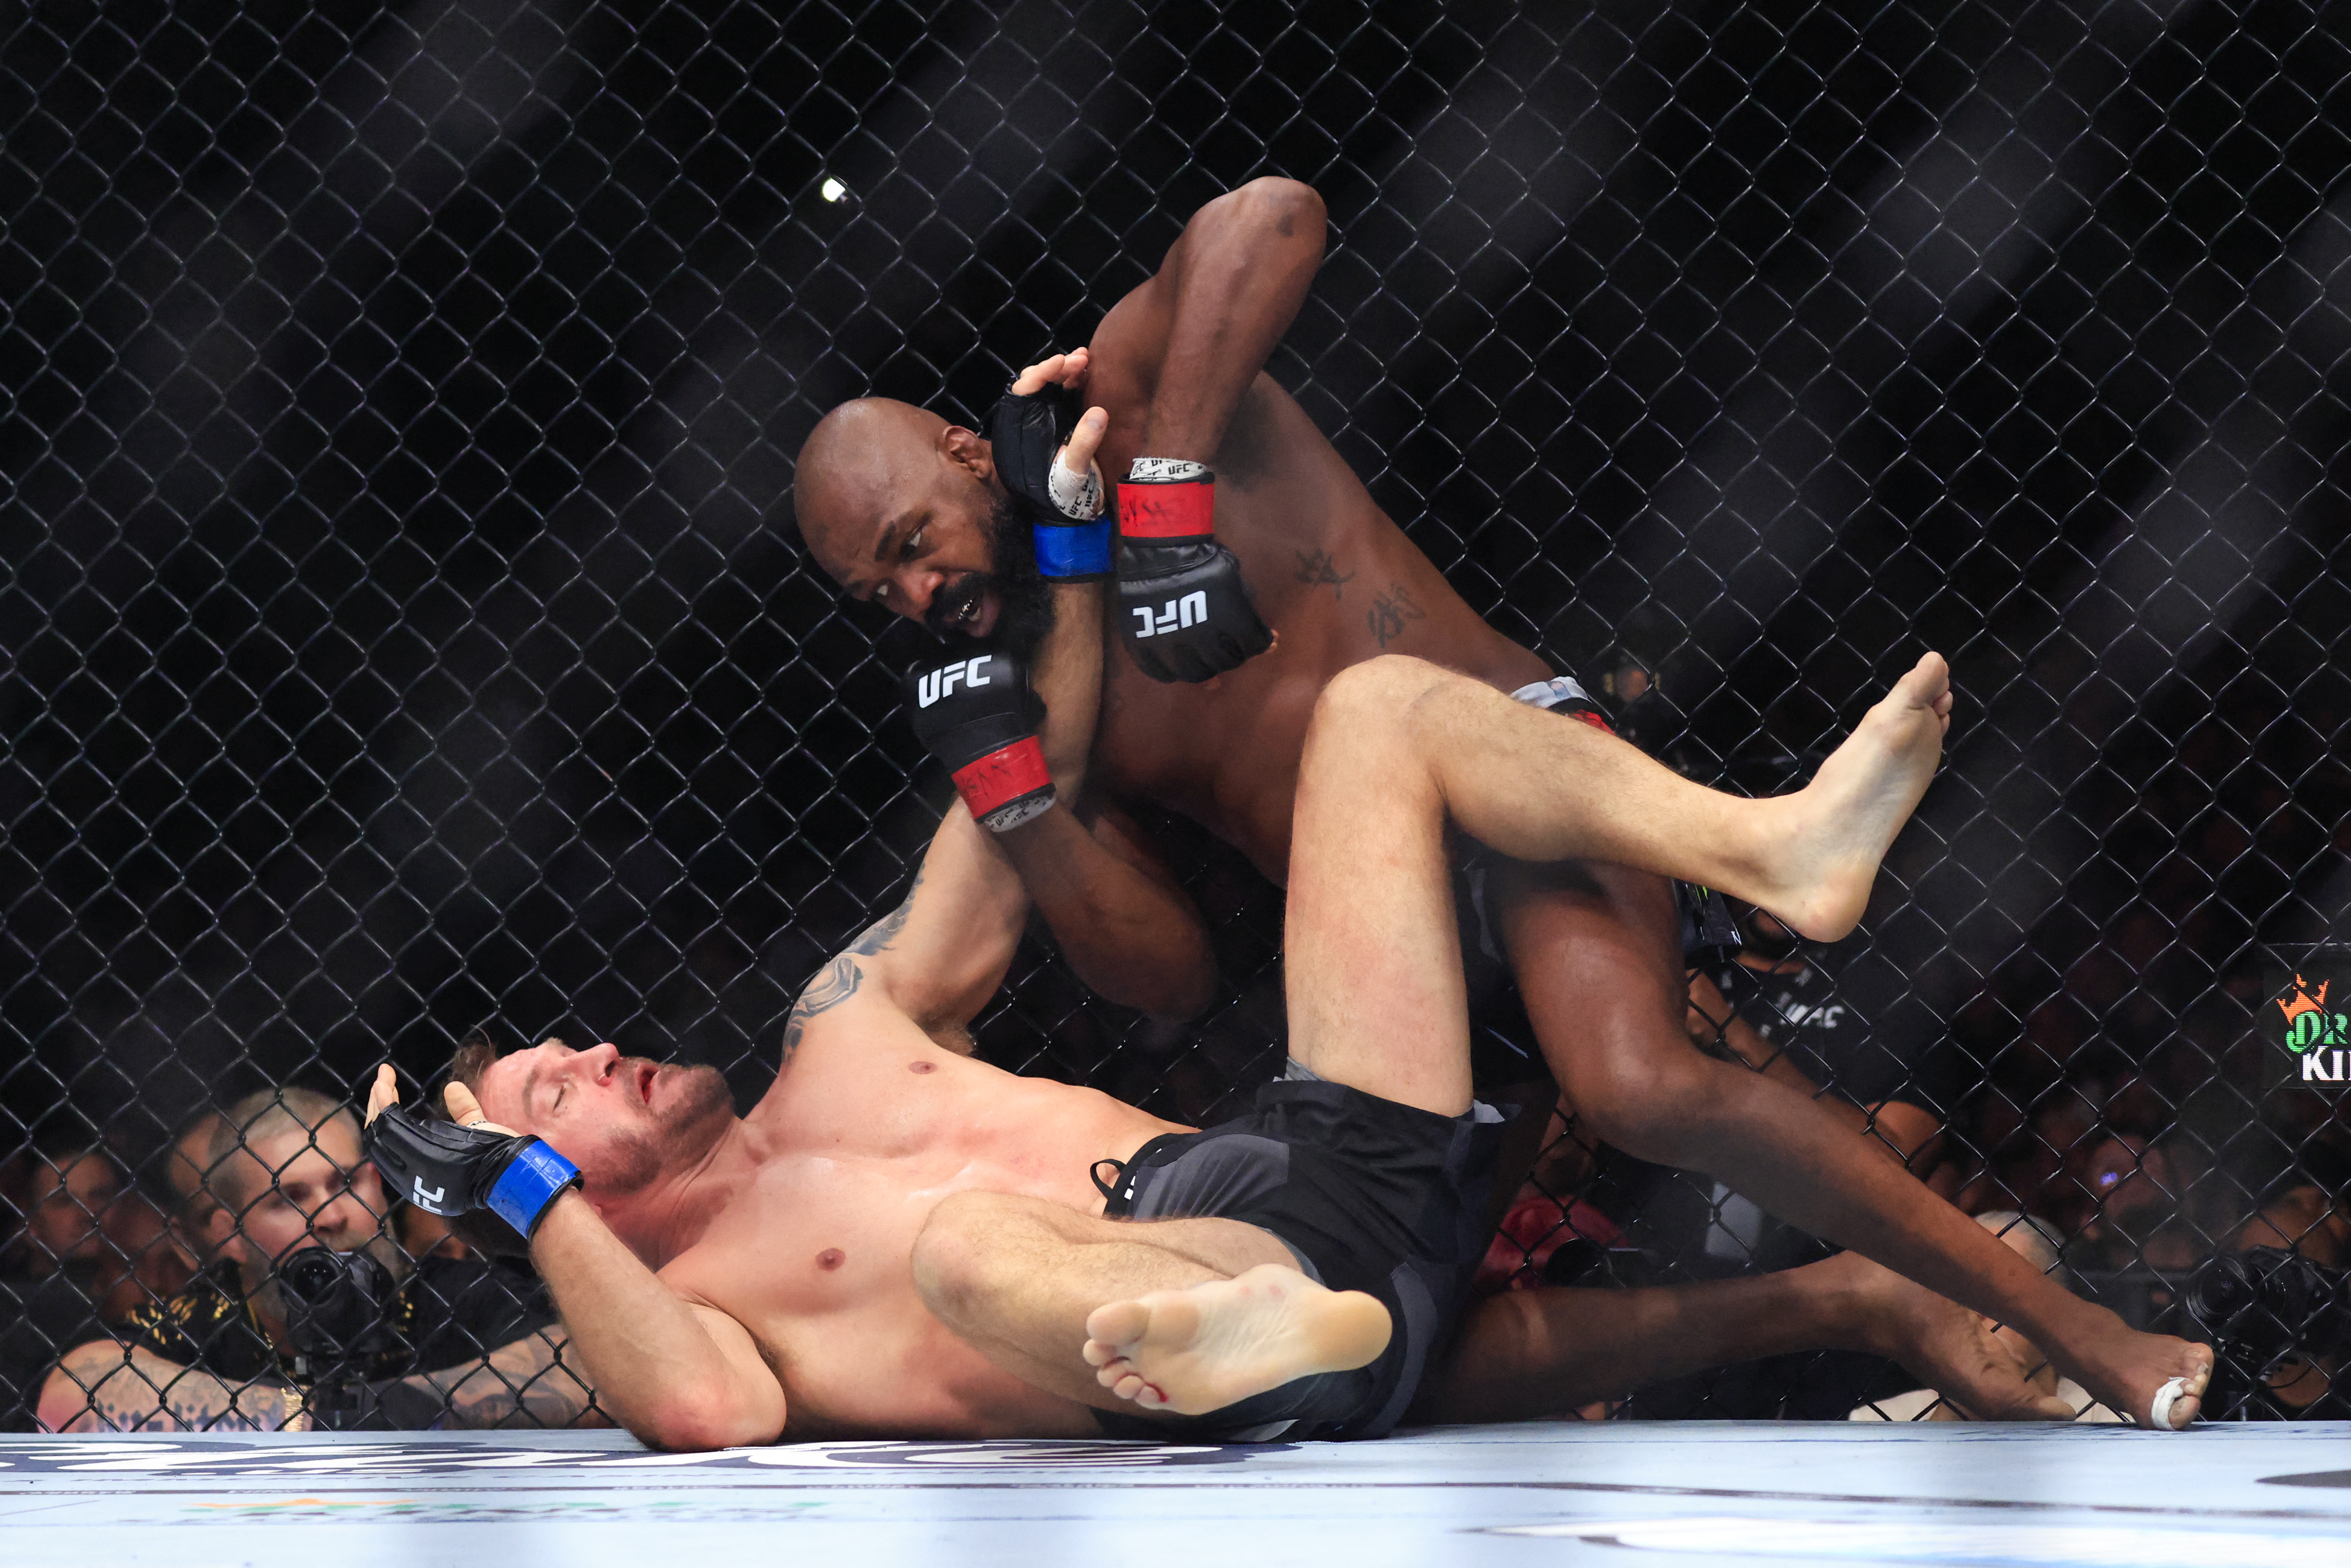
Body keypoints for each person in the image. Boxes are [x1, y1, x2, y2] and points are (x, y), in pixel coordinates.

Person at [785, 179, 2189, 1422]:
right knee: (1409, 1321)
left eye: (912, 543)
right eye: (880, 596)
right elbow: (1163, 970)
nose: (917, 596)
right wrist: (1022, 797)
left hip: (1519, 787)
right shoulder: (1039, 688)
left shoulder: (1146, 395)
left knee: (1638, 1081)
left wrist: (1160, 491)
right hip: (1406, 968)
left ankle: (2083, 1330)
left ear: (967, 456)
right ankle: (1884, 1295)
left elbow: (1270, 214)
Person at [360, 621, 2209, 1447]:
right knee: (965, 1248)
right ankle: (1264, 1338)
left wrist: (1067, 537)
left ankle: (1768, 843)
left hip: (1322, 1152)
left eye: (567, 1047)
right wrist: (519, 1192)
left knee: (1384, 708)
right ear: (552, 1182)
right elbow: (699, 1409)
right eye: (553, 1090)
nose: (592, 1051)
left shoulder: (839, 1021)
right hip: (1204, 1307)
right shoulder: (709, 1305)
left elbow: (1026, 784)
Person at [37, 1087, 600, 1432]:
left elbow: (590, 1364)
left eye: (346, 1181)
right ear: (230, 1234)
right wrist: (327, 1416)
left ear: (380, 1186)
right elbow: (74, 1388)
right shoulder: (207, 1319)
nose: (330, 1215)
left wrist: (379, 1410)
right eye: (289, 1198)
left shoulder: (458, 1293)